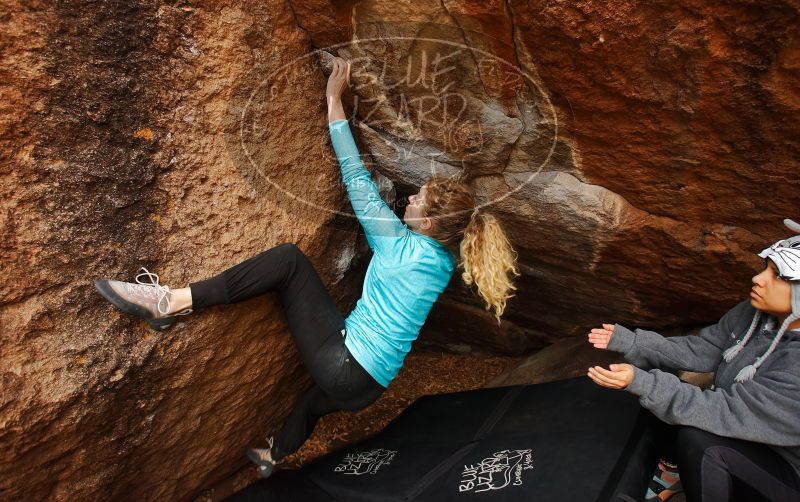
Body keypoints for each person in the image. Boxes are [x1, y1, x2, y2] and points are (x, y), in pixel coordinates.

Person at [94, 56, 520, 478]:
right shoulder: (444, 259)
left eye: (417, 201)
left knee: (288, 261)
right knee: (313, 403)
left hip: (347, 366)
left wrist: (334, 100)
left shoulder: (398, 247)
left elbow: (355, 177)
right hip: (372, 387)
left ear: (427, 224)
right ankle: (272, 456)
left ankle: (169, 302)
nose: (408, 199)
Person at [587, 219, 800, 502]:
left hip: (787, 470)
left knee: (700, 442)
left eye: (778, 276)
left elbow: (727, 410)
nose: (758, 279)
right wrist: (634, 342)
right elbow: (704, 348)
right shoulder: (756, 314)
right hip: (746, 435)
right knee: (658, 383)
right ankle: (672, 473)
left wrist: (643, 383)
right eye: (766, 269)